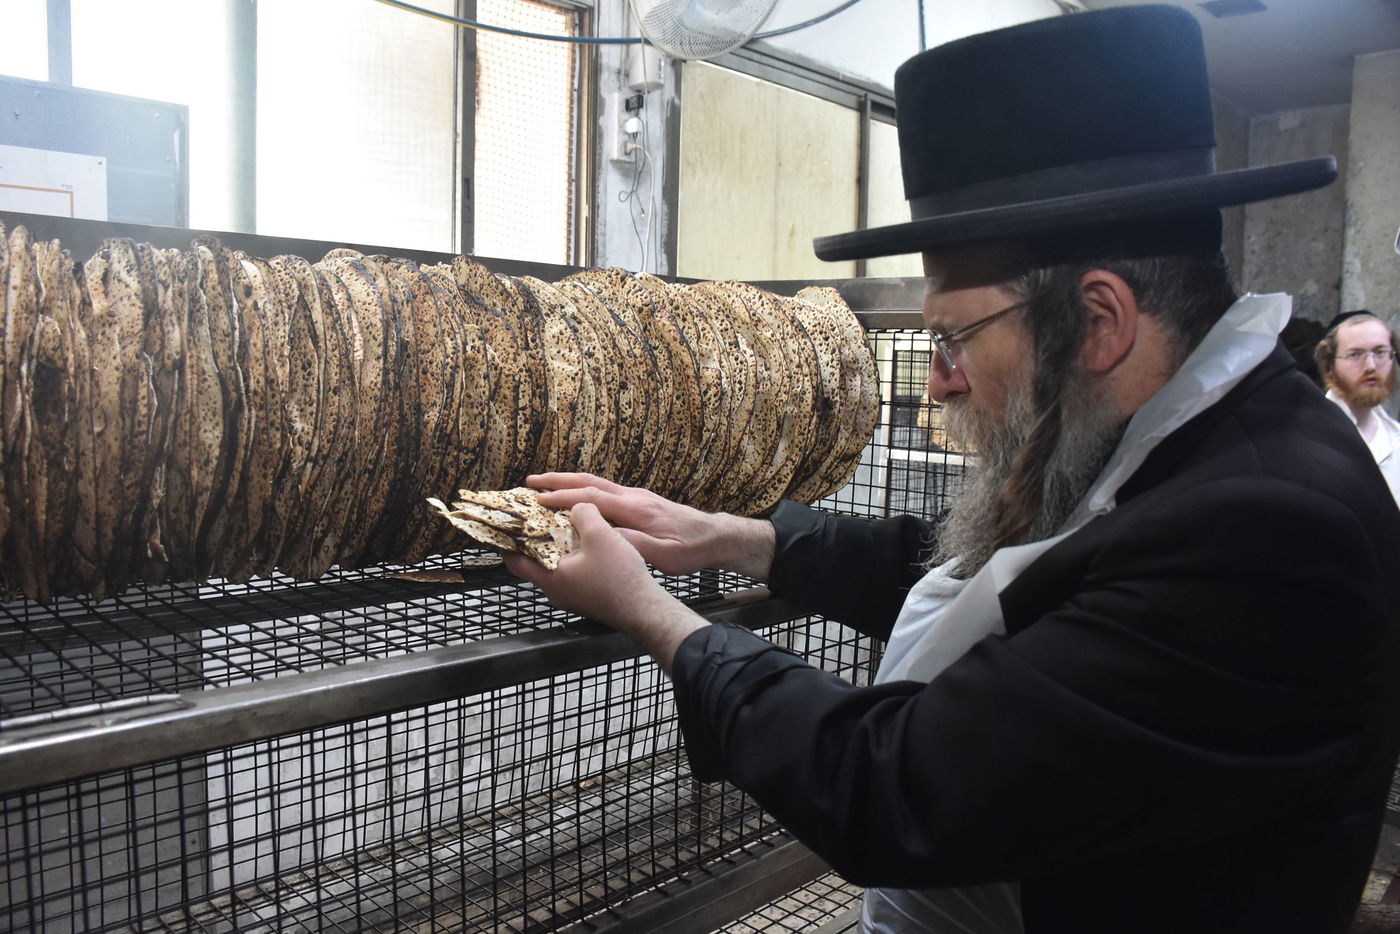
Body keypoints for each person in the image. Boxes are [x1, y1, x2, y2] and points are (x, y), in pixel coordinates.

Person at [505, 6, 1400, 933]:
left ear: (1099, 323)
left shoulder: (1266, 526)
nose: (936, 382)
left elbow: (897, 788)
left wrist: (652, 614)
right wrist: (734, 538)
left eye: (953, 337)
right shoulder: (1186, 443)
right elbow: (1008, 589)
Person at [1315, 310, 1400, 502]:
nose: (1371, 365)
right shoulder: (1307, 433)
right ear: (1329, 364)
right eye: (1355, 354)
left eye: (1380, 352)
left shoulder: (1396, 439)